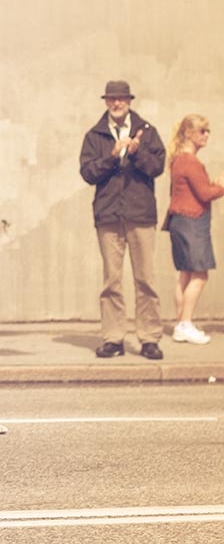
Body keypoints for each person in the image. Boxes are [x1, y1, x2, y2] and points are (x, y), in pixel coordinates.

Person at [79, 80, 166, 360]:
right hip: (108, 215)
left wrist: (138, 152)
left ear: (129, 100)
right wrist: (112, 156)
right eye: (112, 99)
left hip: (140, 215)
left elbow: (157, 167)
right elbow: (88, 172)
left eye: (122, 99)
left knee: (145, 280)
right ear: (106, 101)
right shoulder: (95, 135)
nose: (117, 103)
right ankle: (114, 338)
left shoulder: (147, 131)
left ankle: (150, 338)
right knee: (111, 281)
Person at [163, 114, 223, 344]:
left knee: (186, 274)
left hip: (180, 221)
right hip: (192, 222)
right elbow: (205, 193)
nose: (206, 135)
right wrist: (220, 186)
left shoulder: (179, 159)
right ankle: (185, 324)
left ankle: (181, 323)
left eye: (208, 131)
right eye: (202, 131)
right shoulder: (190, 161)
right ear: (189, 133)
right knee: (200, 273)